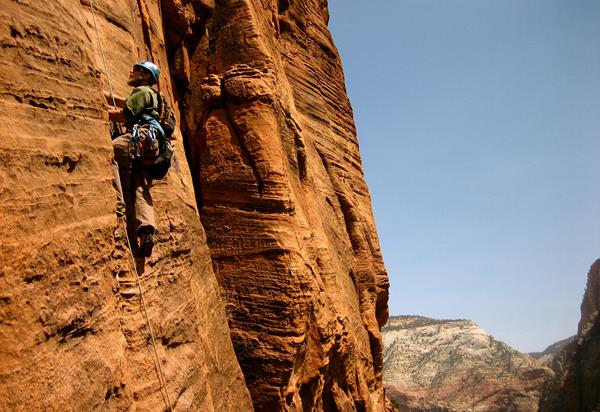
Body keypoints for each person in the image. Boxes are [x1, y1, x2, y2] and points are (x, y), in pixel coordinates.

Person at [106, 61, 164, 257]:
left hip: (141, 137)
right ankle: (147, 229)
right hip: (154, 145)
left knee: (112, 151)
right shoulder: (153, 95)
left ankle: (119, 202)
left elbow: (125, 115)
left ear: (146, 76)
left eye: (137, 70)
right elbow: (125, 102)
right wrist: (105, 97)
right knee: (141, 185)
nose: (131, 71)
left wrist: (99, 111)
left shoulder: (141, 91)